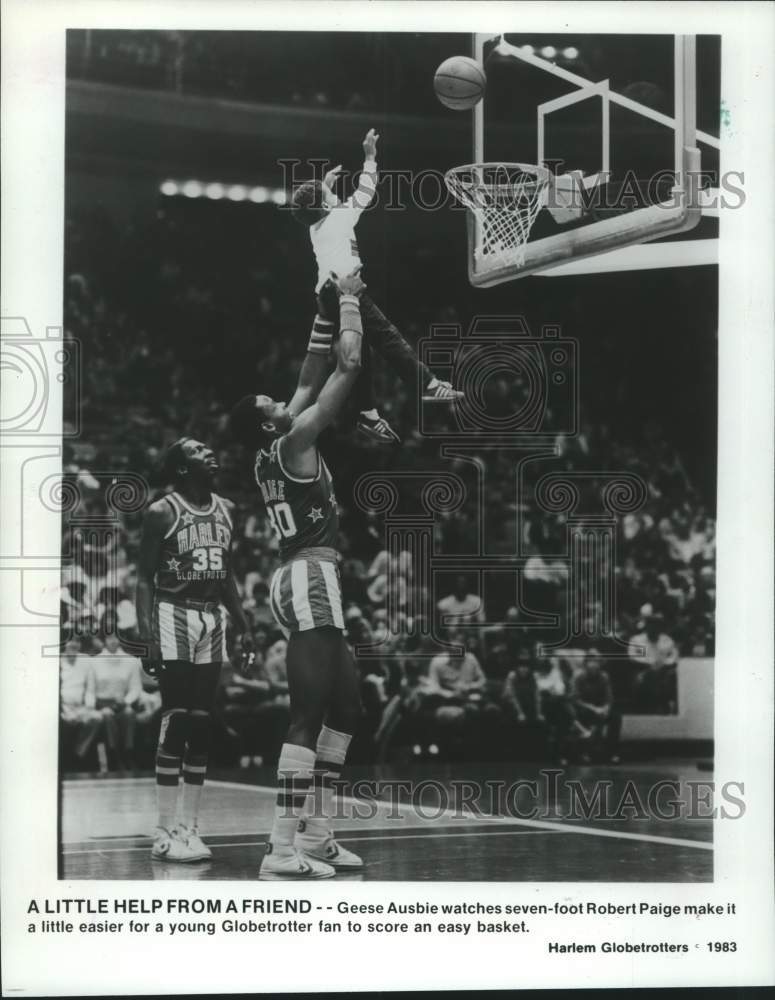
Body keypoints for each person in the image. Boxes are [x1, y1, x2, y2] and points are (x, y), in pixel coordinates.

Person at [229, 267, 367, 879]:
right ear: (269, 422)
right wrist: (352, 308)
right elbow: (344, 371)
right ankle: (280, 847)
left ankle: (318, 832)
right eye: (271, 403)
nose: (281, 400)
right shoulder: (293, 442)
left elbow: (309, 373)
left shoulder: (275, 443)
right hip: (307, 576)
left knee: (348, 709)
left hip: (309, 576)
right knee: (308, 715)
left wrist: (321, 303)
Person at [290, 127, 462, 443]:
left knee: (363, 353)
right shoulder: (339, 217)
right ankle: (427, 384)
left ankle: (366, 414)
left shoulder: (315, 227)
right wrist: (370, 158)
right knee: (386, 335)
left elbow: (316, 204)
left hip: (327, 295)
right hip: (345, 290)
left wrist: (324, 186)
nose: (334, 195)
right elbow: (365, 192)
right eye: (329, 195)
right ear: (326, 205)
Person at [136, 437, 251, 863]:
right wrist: (147, 634)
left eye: (208, 448)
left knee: (202, 723)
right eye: (198, 451)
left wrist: (244, 625)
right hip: (173, 612)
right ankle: (164, 830)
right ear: (183, 469)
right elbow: (144, 578)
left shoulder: (228, 510)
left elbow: (226, 574)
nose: (209, 453)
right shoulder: (161, 511)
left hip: (212, 617)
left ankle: (191, 827)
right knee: (178, 716)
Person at [91, 632, 144, 769]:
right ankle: (113, 757)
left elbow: (136, 688)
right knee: (108, 716)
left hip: (123, 702)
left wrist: (125, 701)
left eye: (116, 637)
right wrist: (94, 707)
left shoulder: (131, 661)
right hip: (101, 704)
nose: (113, 641)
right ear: (104, 640)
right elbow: (91, 690)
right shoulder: (94, 661)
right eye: (109, 637)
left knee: (129, 714)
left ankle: (128, 754)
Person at [570, 649, 622, 764]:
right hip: (584, 708)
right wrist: (594, 709)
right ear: (586, 663)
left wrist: (606, 708)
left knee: (616, 717)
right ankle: (584, 753)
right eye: (591, 661)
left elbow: (609, 697)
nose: (594, 664)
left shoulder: (604, 676)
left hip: (600, 708)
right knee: (583, 716)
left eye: (597, 662)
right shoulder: (578, 677)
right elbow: (575, 699)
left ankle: (612, 752)